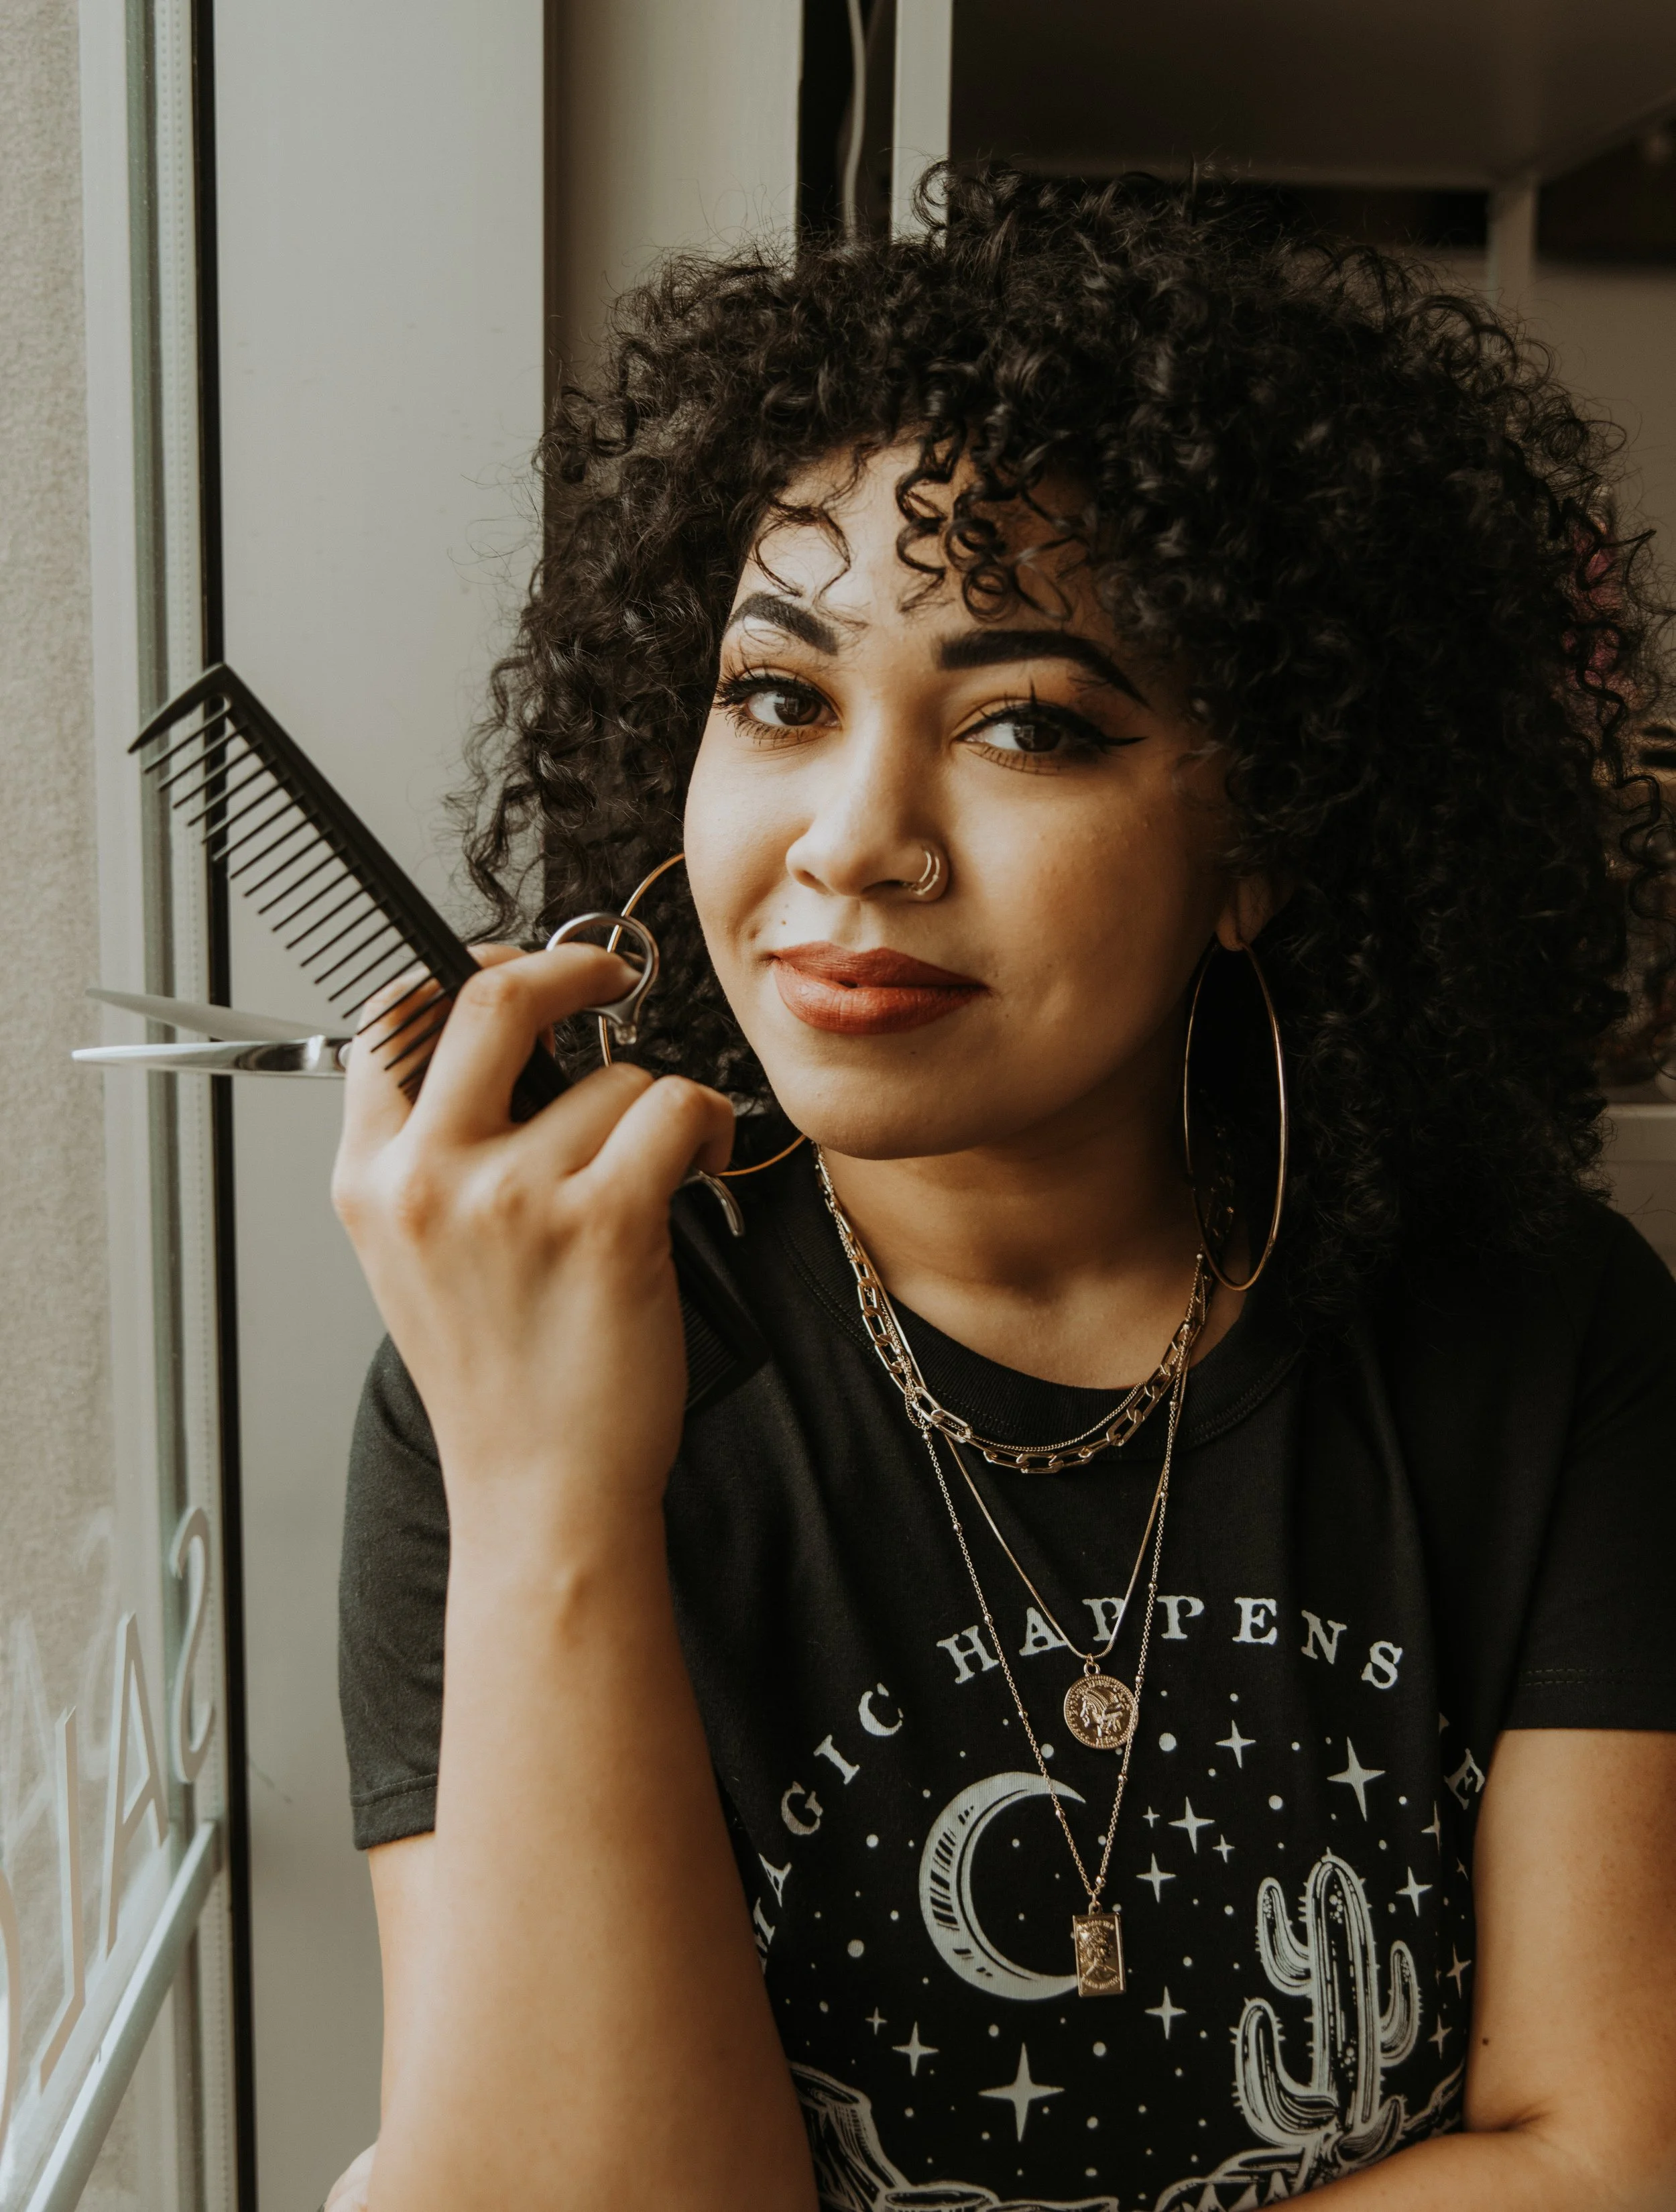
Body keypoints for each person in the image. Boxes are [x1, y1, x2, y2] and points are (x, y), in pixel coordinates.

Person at [324, 169, 1676, 2212]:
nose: (853, 839)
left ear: (1264, 841)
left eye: (1028, 726)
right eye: (778, 698)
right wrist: (542, 1494)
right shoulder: (506, 1374)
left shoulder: (1543, 1330)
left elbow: (1598, 2156)